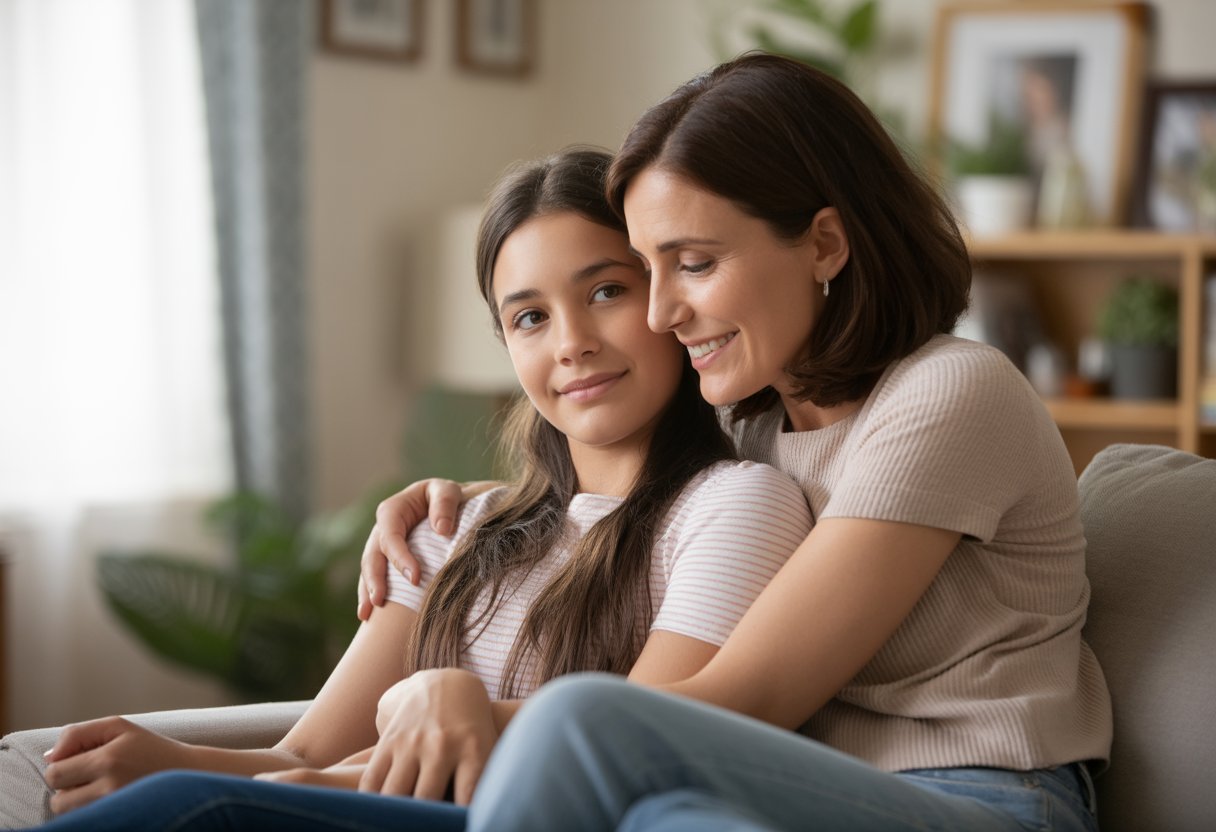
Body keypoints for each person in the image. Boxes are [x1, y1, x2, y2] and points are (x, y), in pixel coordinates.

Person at [364, 53, 1113, 832]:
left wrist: (468, 707)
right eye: (648, 271)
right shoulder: (752, 421)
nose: (660, 314)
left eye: (694, 264)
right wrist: (461, 507)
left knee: (585, 722)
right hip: (786, 790)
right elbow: (621, 490)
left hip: (984, 799)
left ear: (825, 244)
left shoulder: (949, 394)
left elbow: (747, 696)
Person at [23, 147, 811, 831]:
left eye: (606, 291)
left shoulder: (734, 506)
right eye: (531, 317)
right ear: (507, 345)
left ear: (667, 299)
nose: (572, 343)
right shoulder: (450, 524)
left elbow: (632, 746)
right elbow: (305, 751)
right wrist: (170, 759)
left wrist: (284, 784)